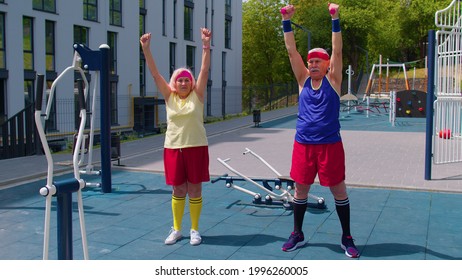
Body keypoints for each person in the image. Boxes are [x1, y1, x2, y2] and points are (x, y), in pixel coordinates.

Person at [280, 3, 359, 258]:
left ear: (326, 66)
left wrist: (335, 19)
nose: (313, 64)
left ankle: (346, 237)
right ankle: (297, 234)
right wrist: (287, 22)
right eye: (311, 61)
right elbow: (291, 52)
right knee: (300, 190)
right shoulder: (303, 80)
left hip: (330, 146)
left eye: (318, 61)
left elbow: (338, 50)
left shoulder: (333, 81)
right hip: (303, 145)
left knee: (338, 190)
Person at [140, 28, 212, 246]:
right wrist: (146, 49)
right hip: (173, 148)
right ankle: (177, 228)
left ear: (191, 83)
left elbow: (204, 70)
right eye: (179, 80)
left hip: (196, 146)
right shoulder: (169, 96)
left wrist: (206, 46)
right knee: (178, 189)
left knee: (195, 189)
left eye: (186, 80)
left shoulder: (197, 96)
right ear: (174, 83)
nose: (183, 83)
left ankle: (195, 230)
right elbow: (155, 74)